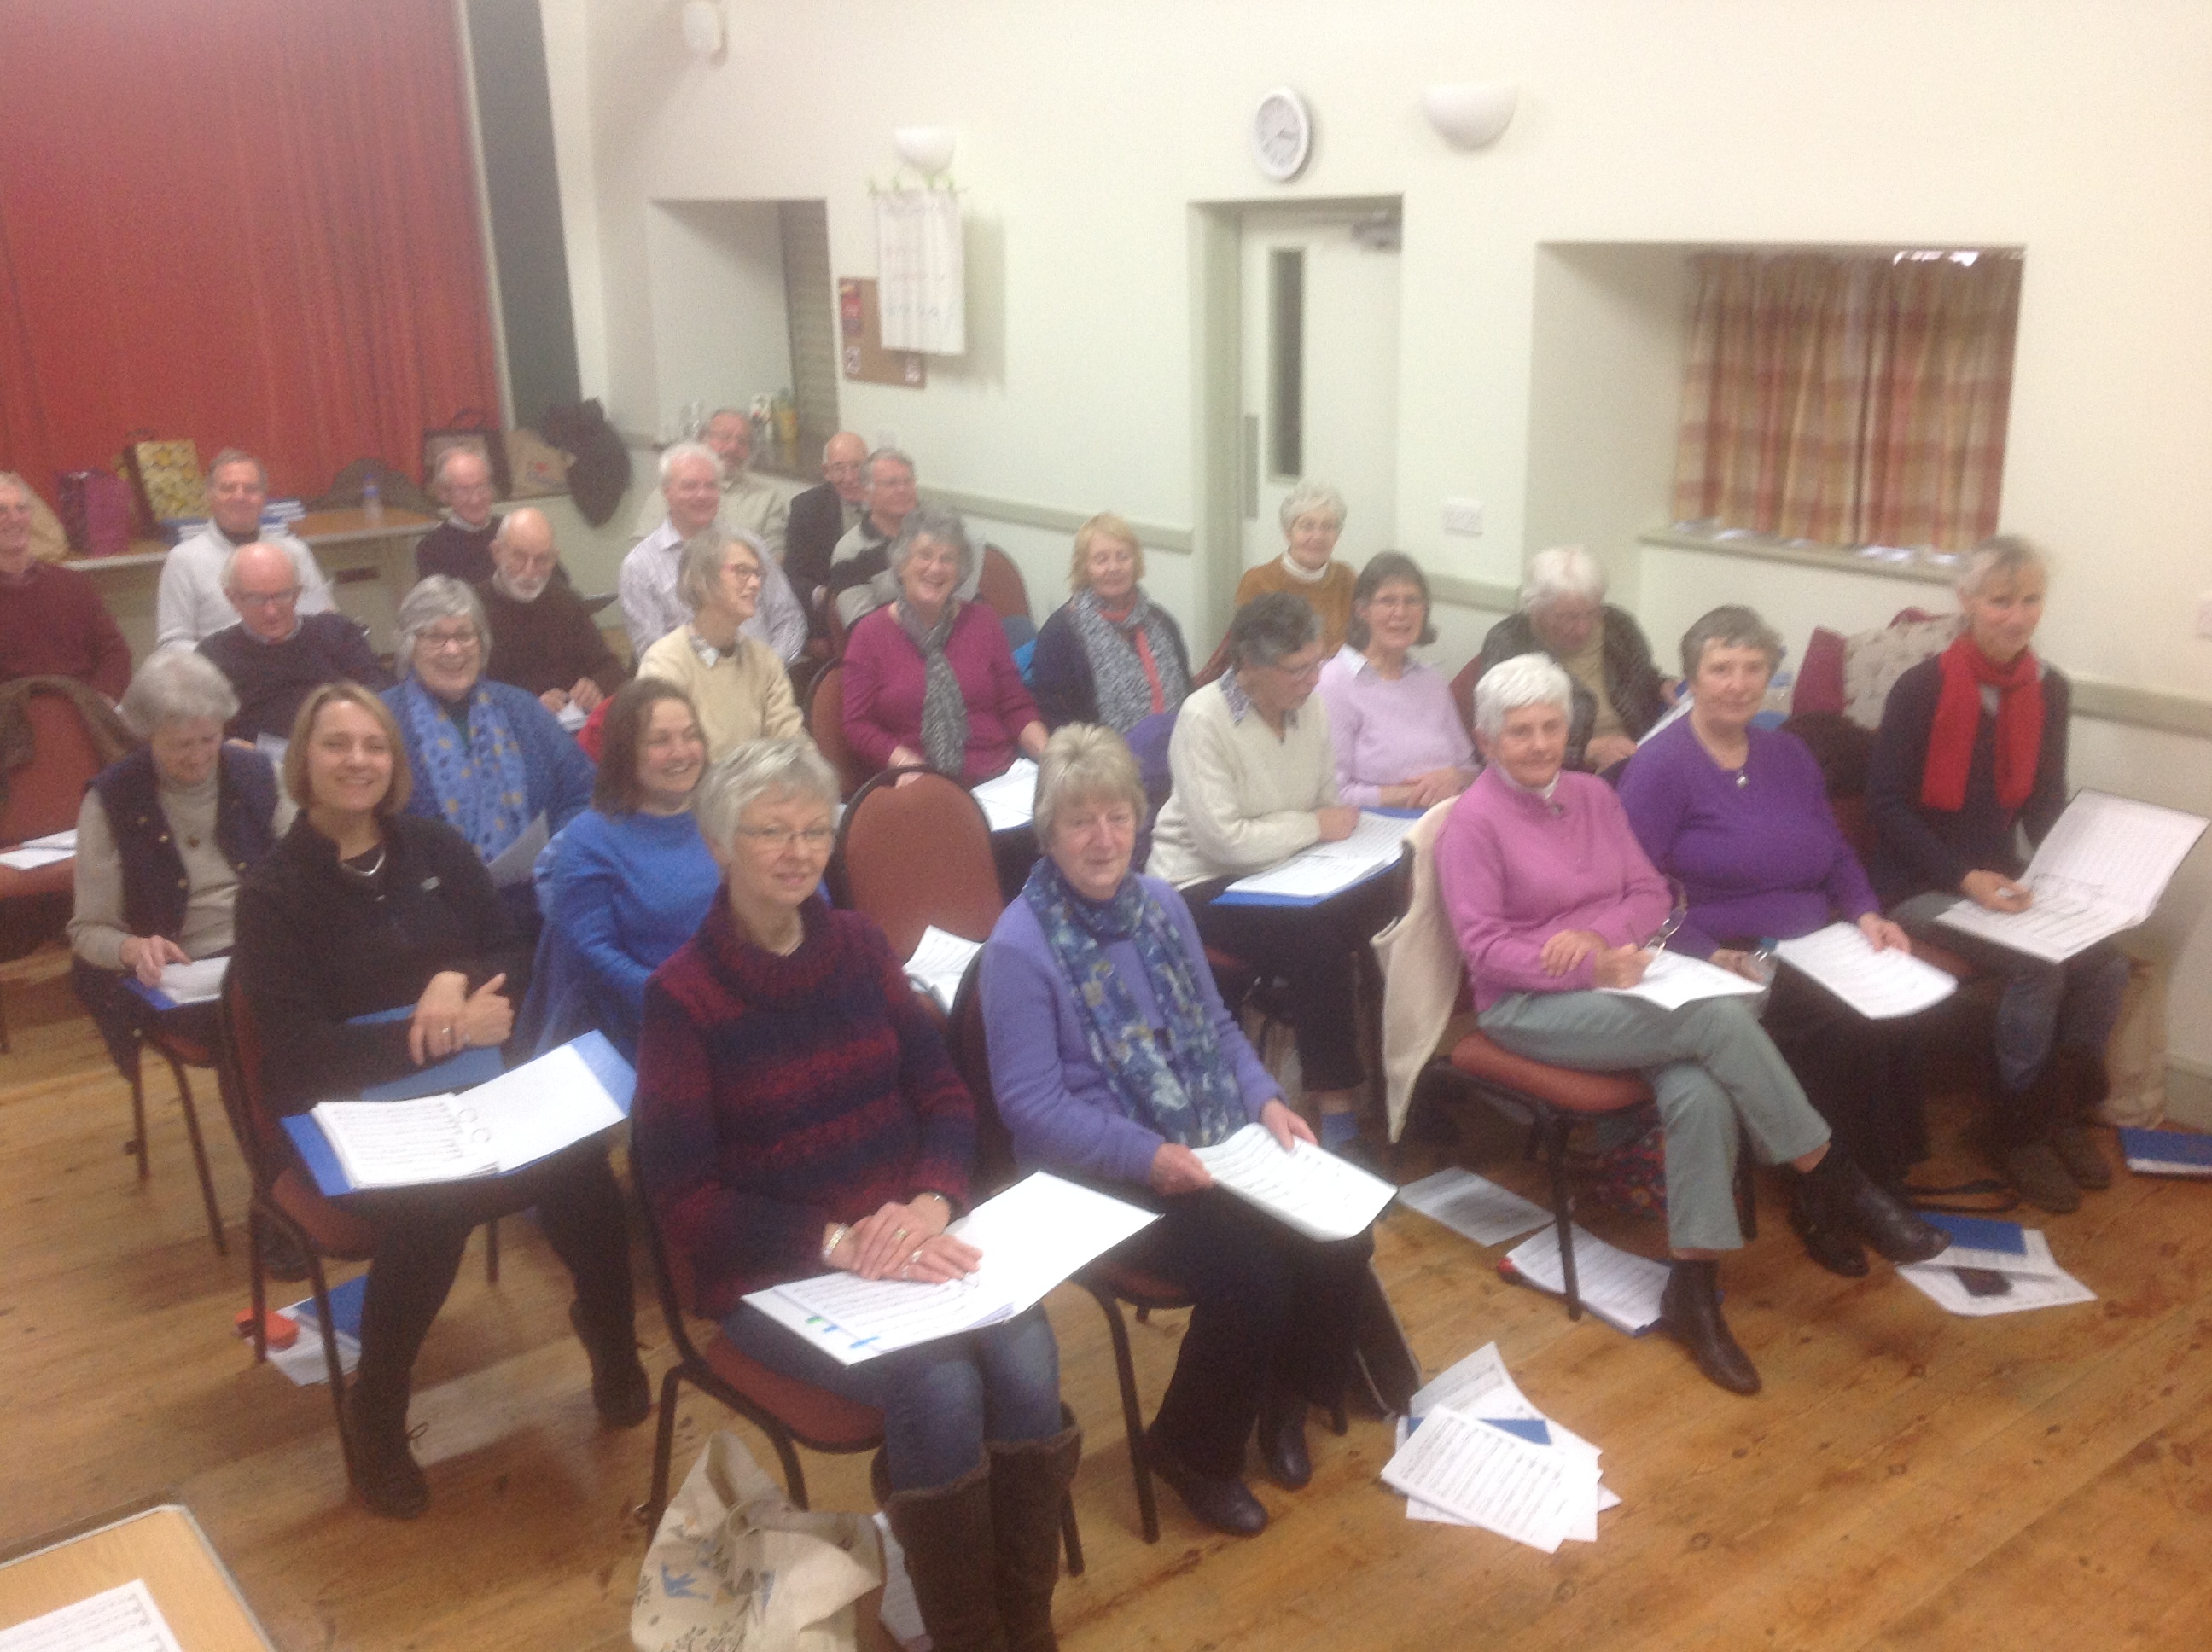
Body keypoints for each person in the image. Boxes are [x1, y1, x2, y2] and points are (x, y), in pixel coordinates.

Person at [633, 737, 1078, 1652]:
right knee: (941, 1387)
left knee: (1027, 1351)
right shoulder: (683, 998)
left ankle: (1024, 1619)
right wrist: (835, 1240)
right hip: (779, 1272)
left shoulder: (862, 947)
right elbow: (684, 1200)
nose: (798, 851)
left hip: (911, 1239)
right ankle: (966, 1634)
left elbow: (944, 1095)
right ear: (718, 844)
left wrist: (930, 1202)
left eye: (813, 830)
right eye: (771, 831)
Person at [1436, 654, 1945, 1395]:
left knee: (1700, 1090)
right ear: (1486, 741)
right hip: (1528, 1005)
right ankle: (1836, 1178)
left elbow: (1651, 894)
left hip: (1623, 979)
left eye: (1551, 727)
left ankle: (1693, 1290)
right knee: (1716, 1020)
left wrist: (1601, 940)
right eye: (1520, 732)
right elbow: (1484, 950)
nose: (1540, 744)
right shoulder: (1472, 823)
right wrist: (1586, 967)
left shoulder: (1590, 794)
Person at [232, 683, 646, 1519]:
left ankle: (608, 1334)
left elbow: (511, 949)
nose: (357, 761)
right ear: (304, 761)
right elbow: (300, 1053)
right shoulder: (273, 893)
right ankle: (377, 1406)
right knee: (439, 1202)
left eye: (374, 746)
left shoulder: (433, 846)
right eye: (337, 745)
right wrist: (443, 1034)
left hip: (465, 1091)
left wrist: (457, 978)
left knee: (578, 1162)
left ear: (395, 761)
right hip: (345, 1112)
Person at [983, 724, 1373, 1538]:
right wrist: (1147, 1154)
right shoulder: (1019, 947)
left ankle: (1282, 1398)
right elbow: (1032, 1107)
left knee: (1344, 1232)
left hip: (1209, 1136)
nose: (1103, 838)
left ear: (1140, 819)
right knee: (1252, 1273)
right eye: (1080, 822)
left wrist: (1265, 1100)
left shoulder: (1160, 906)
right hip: (1095, 1171)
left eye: (1118, 816)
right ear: (1048, 835)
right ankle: (1191, 1450)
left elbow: (1219, 1028)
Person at [1620, 607, 1940, 1275]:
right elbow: (1634, 887)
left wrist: (1867, 914)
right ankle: (1827, 1197)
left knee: (1900, 1004)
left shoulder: (1789, 754)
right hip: (1721, 951)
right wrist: (1706, 950)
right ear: (1690, 679)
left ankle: (1883, 1184)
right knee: (1836, 1022)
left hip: (1815, 939)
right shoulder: (1660, 766)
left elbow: (1836, 852)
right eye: (1721, 669)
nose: (1738, 684)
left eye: (1753, 668)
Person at [1866, 537, 2130, 1213]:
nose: (2017, 616)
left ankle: (2057, 1111)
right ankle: (2015, 1130)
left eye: (2031, 600)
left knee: (2106, 964)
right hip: (1916, 886)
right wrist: (1963, 876)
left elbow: (2044, 802)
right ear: (1967, 601)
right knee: (2038, 968)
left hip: (1997, 880)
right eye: (2000, 601)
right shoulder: (1921, 688)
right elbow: (1885, 806)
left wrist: (2092, 883)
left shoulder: (2050, 689)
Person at [1145, 593, 1386, 1150]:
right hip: (1198, 883)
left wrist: (1313, 829)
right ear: (1248, 666)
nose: (1314, 679)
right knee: (1317, 943)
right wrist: (1311, 827)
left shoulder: (1312, 707)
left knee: (1384, 902)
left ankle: (1394, 1090)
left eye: (1318, 663)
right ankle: (1338, 1116)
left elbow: (1326, 803)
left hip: (1288, 871)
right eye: (1298, 669)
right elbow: (1223, 840)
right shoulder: (1204, 717)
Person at [68, 650, 294, 1077]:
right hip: (183, 978)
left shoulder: (261, 775)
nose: (198, 756)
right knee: (260, 1028)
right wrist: (134, 949)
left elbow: (309, 877)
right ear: (147, 735)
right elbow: (88, 931)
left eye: (209, 739)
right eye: (180, 745)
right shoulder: (111, 800)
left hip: (270, 952)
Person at [381, 578, 595, 934]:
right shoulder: (382, 722)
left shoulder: (522, 708)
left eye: (465, 635)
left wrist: (556, 854)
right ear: (408, 646)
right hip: (435, 920)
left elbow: (583, 792)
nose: (454, 650)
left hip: (539, 905)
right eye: (436, 637)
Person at [518, 680, 719, 1059]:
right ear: (627, 753)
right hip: (650, 1027)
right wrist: (684, 1001)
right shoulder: (589, 841)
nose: (681, 752)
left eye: (691, 736)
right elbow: (594, 955)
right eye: (660, 741)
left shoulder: (729, 817)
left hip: (744, 1005)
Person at [841, 507, 1046, 783]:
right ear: (902, 564)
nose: (936, 568)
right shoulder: (870, 634)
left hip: (999, 778)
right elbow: (857, 725)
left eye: (947, 559)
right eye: (925, 555)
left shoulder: (983, 621)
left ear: (959, 571)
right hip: (918, 781)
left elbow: (1015, 706)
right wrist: (907, 764)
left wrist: (1050, 757)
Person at [1474, 544, 1669, 772]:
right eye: (1567, 617)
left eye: (1592, 613)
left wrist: (1664, 685)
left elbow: (1646, 678)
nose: (1582, 628)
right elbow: (1500, 733)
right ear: (1536, 609)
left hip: (1637, 754)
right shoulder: (1510, 641)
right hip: (1558, 769)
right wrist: (1588, 750)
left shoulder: (1618, 626)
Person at [1316, 551, 1476, 808]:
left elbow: (1470, 768)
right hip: (1377, 824)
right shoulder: (1335, 681)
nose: (1400, 612)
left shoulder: (1432, 681)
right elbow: (1333, 793)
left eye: (1412, 601)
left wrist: (1455, 778)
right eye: (1387, 601)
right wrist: (1412, 794)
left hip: (1446, 815)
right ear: (1362, 611)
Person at [621, 442, 805, 663]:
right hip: (691, 681)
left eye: (711, 486)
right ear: (666, 492)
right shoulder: (639, 566)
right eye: (690, 486)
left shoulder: (750, 545)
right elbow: (653, 655)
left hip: (767, 674)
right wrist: (722, 675)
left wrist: (769, 668)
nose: (702, 495)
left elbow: (789, 619)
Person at [636, 530, 805, 762]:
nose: (755, 583)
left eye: (758, 574)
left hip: (763, 782)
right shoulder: (665, 663)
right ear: (701, 580)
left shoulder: (764, 660)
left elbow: (794, 743)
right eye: (742, 571)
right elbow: (671, 761)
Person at [196, 541, 389, 742]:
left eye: (282, 596)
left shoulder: (337, 633)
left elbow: (380, 695)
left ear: (298, 593)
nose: (271, 611)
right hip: (260, 759)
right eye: (256, 599)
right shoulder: (214, 656)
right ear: (232, 598)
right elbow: (206, 731)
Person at [1029, 512, 1192, 733]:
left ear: (1136, 562)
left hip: (1178, 742)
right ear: (1084, 568)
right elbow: (1056, 719)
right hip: (1099, 752)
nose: (1114, 567)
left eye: (1123, 557)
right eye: (1101, 559)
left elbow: (1187, 693)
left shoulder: (1162, 622)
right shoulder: (1060, 634)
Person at [156, 449, 334, 648]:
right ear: (210, 496)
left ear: (263, 497)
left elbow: (326, 622)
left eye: (250, 489)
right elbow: (173, 642)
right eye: (228, 488)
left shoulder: (294, 551)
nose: (240, 497)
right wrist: (225, 658)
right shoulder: (184, 560)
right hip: (219, 666)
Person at [475, 507, 624, 716]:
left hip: (572, 722)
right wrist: (530, 704)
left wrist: (595, 686)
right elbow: (471, 691)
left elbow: (610, 667)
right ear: (497, 553)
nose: (530, 571)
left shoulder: (565, 600)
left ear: (554, 559)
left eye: (542, 559)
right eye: (519, 556)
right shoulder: (473, 610)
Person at [0, 471, 131, 698]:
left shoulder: (73, 585)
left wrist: (100, 701)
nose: (14, 518)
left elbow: (115, 653)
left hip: (85, 708)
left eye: (21, 508)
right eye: (2, 510)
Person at [631, 407, 789, 565]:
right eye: (724, 437)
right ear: (702, 439)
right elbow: (642, 551)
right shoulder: (673, 490)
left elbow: (774, 560)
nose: (733, 447)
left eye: (742, 442)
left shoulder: (768, 499)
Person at [1231, 481, 1358, 656]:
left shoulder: (1347, 579)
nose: (1318, 536)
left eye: (1328, 527)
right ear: (1288, 533)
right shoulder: (1258, 581)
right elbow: (1252, 654)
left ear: (1338, 535)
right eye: (1307, 526)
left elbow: (1359, 639)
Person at [785, 431, 869, 625]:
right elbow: (793, 575)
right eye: (839, 468)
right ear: (826, 471)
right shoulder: (806, 508)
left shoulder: (886, 498)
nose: (849, 477)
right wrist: (825, 597)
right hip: (830, 616)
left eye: (857, 466)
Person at [824, 447, 920, 615]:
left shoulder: (937, 533)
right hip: (888, 632)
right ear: (867, 493)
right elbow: (861, 624)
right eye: (891, 483)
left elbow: (966, 600)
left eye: (908, 481)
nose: (902, 489)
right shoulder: (849, 553)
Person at [414, 447, 505, 585]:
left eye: (481, 487)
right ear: (444, 494)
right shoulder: (432, 549)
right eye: (463, 491)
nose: (475, 499)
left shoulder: (510, 531)